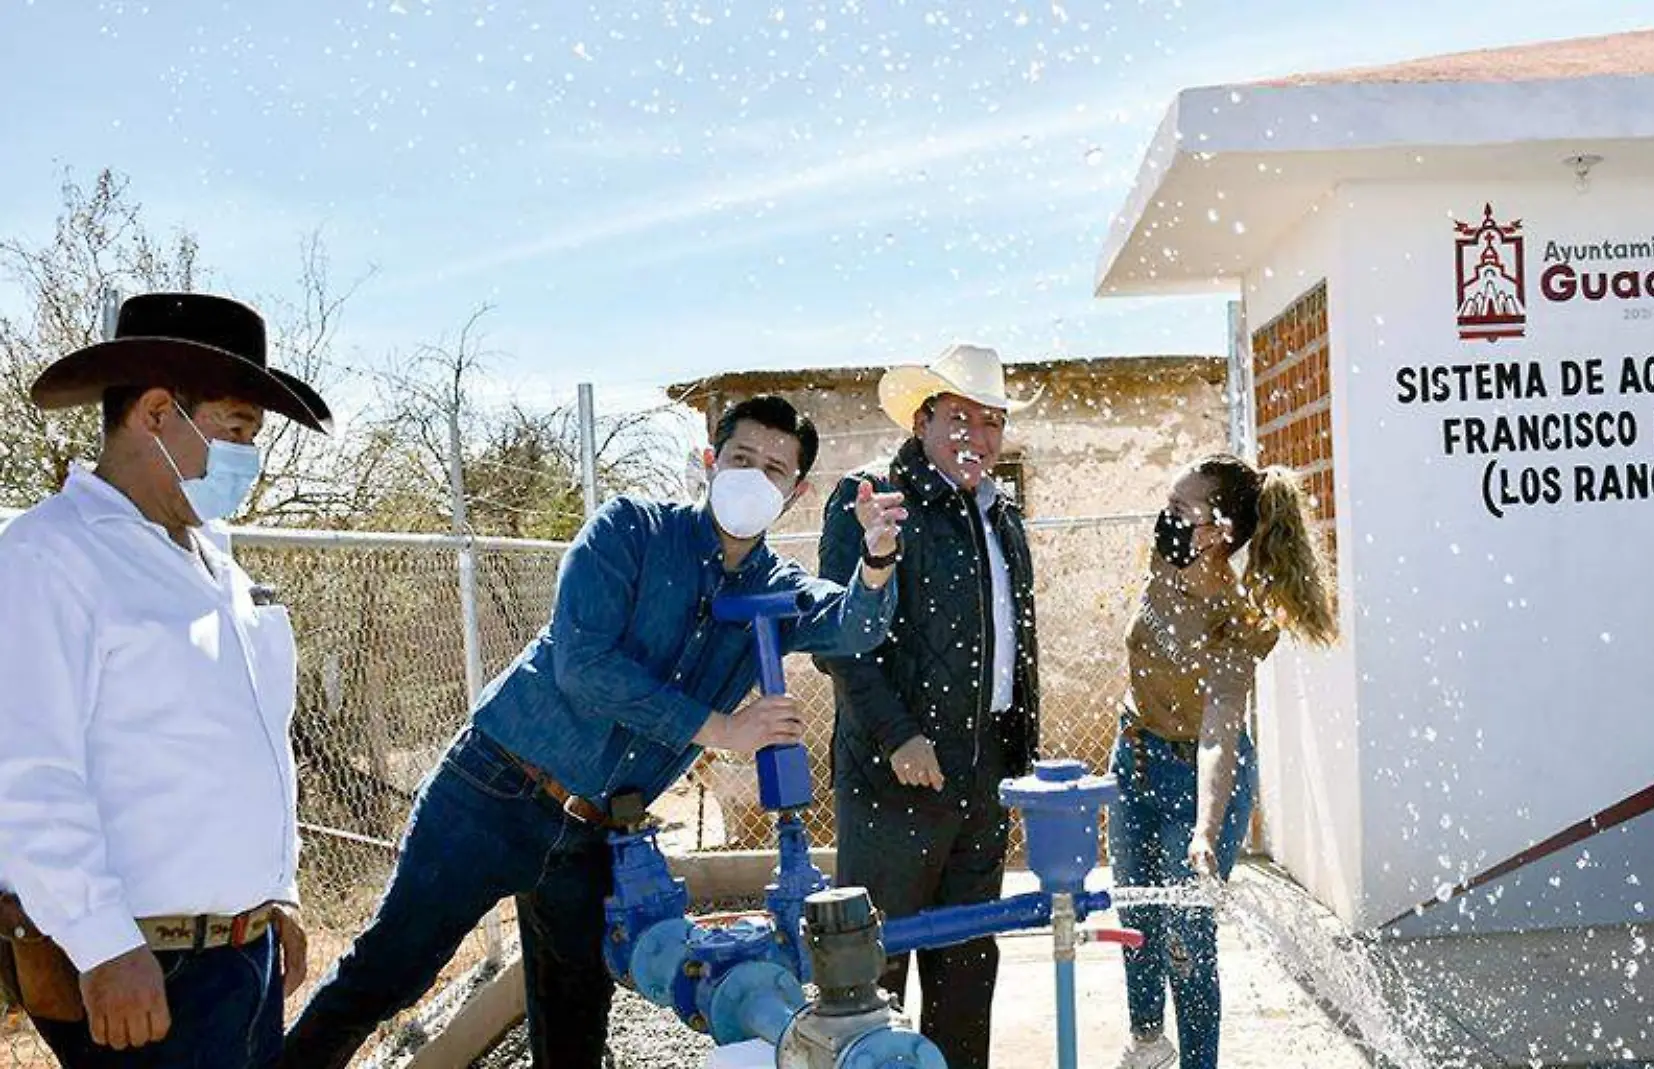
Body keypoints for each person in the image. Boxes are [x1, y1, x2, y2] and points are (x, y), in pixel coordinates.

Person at [281, 395, 907, 1069]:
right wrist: (722, 726)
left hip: (596, 832)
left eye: (775, 470)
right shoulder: (629, 531)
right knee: (389, 973)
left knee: (575, 1014)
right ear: (708, 462)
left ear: (797, 492)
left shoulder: (773, 587)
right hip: (495, 789)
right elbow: (583, 665)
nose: (754, 477)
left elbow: (856, 625)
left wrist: (876, 561)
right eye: (741, 458)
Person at [0, 292, 331, 1068]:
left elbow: (254, 743)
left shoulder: (211, 562)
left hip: (238, 958)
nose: (251, 456)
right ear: (156, 411)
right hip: (145, 973)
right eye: (238, 429)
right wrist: (104, 945)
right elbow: (27, 775)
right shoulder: (53, 558)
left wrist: (274, 893)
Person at [817, 343, 1040, 1069]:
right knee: (873, 972)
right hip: (894, 778)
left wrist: (1018, 752)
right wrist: (899, 736)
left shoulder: (998, 513)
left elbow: (1013, 639)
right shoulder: (874, 499)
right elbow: (840, 641)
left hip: (983, 775)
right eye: (959, 416)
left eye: (992, 420)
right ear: (922, 421)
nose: (977, 434)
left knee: (968, 964)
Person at [1112, 455, 1339, 1069]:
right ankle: (1148, 1044)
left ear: (1217, 530)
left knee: (1187, 938)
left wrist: (1205, 830)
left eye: (1181, 512)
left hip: (1201, 780)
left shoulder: (1242, 619)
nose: (1166, 519)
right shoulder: (1166, 559)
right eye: (1169, 503)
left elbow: (1219, 732)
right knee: (1136, 916)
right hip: (1132, 757)